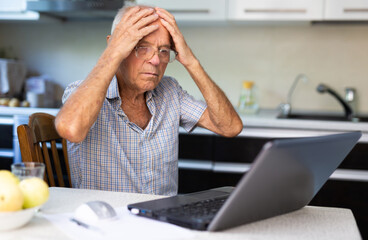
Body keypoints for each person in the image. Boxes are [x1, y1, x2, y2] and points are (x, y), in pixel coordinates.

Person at [55, 4, 243, 196]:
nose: (155, 60)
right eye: (142, 48)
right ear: (115, 46)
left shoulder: (170, 92)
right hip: (107, 221)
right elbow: (70, 129)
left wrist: (191, 62)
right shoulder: (82, 92)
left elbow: (230, 127)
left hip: (161, 219)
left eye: (163, 51)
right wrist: (112, 53)